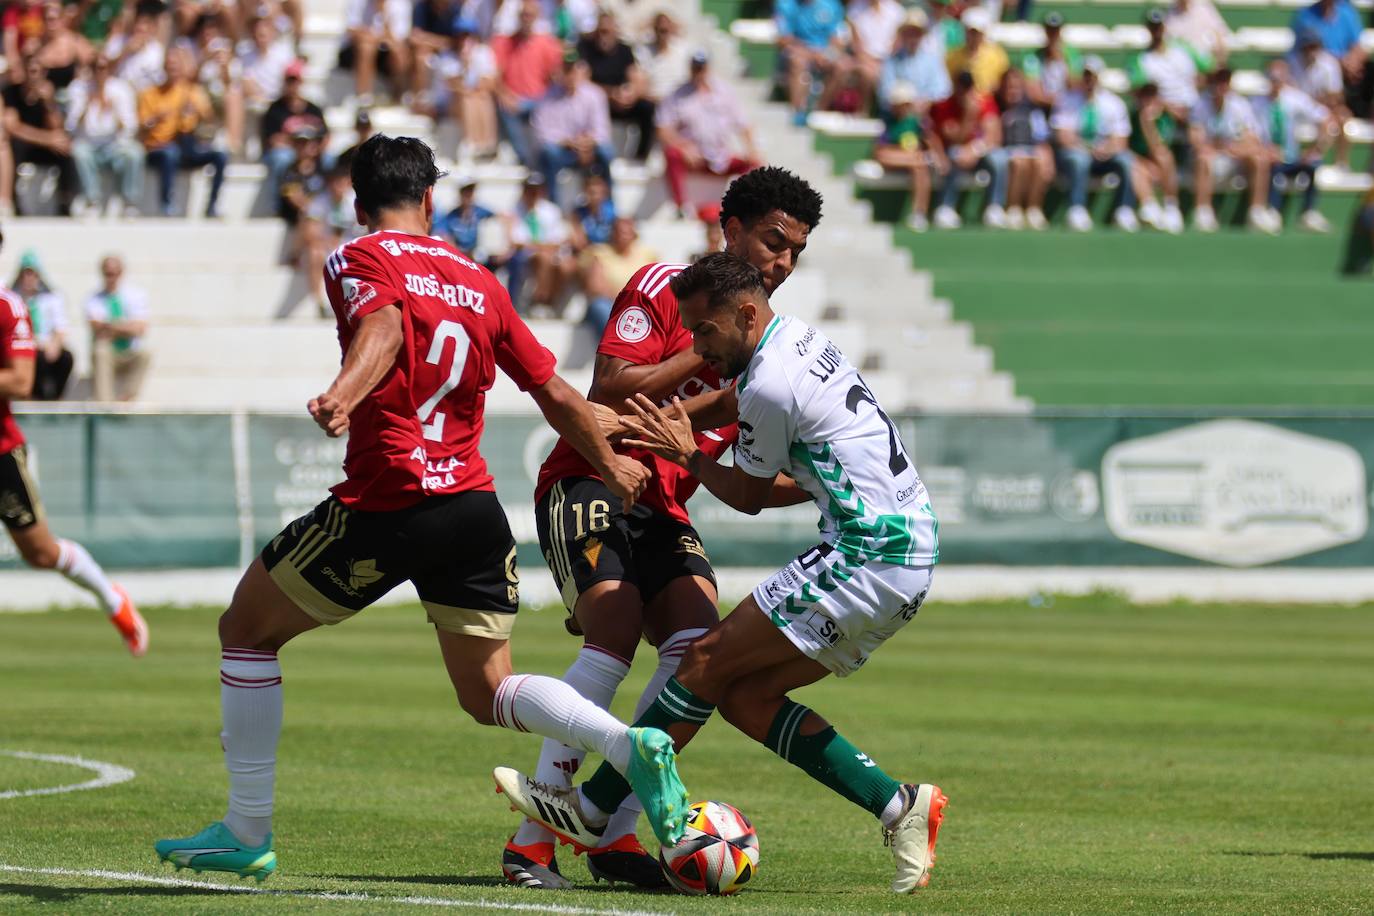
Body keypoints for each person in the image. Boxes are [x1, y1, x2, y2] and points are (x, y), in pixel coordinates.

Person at [152, 134, 692, 882]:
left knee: (245, 632)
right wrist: (613, 464)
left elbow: (382, 327)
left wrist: (344, 392)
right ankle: (628, 743)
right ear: (431, 200)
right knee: (489, 690)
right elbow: (558, 394)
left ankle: (246, 830)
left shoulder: (360, 256)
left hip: (391, 498)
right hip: (474, 509)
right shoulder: (479, 278)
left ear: (355, 199)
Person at [496, 252, 945, 895]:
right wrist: (640, 426)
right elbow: (720, 407)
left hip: (866, 549)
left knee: (702, 660)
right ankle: (898, 805)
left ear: (744, 312)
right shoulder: (798, 342)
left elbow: (749, 494)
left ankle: (592, 809)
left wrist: (688, 457)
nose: (698, 349)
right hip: (908, 555)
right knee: (740, 692)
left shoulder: (770, 382)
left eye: (705, 334)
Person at [499, 166, 823, 890]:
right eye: (773, 241)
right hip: (589, 476)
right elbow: (609, 385)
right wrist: (709, 351)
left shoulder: (769, 349)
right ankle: (533, 844)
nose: (783, 262)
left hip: (667, 505)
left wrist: (825, 486)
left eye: (796, 252)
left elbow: (747, 481)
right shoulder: (664, 288)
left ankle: (609, 835)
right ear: (730, 229)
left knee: (698, 655)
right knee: (613, 635)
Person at [0, 231, 146, 655]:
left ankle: (111, 598)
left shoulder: (8, 306)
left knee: (41, 553)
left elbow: (22, 380)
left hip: (1, 452)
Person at [655, 52, 760, 214]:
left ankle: (742, 206)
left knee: (754, 166)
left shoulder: (724, 92)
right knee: (672, 155)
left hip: (720, 155)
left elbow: (743, 124)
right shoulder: (677, 95)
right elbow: (663, 129)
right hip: (693, 157)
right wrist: (683, 147)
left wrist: (751, 149)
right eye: (696, 68)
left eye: (702, 68)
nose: (699, 73)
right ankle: (681, 206)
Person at [1051, 55, 1139, 232]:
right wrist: (1086, 147)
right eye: (1086, 75)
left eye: (1092, 75)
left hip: (1103, 157)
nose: (1089, 80)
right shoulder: (1067, 100)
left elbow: (1121, 139)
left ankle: (1124, 209)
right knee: (1078, 159)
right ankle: (1077, 208)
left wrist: (1107, 148)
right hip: (1077, 153)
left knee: (1126, 160)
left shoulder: (1114, 103)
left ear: (1099, 77)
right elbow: (1062, 136)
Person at [138, 47, 229, 217]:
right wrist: (156, 119)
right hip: (157, 149)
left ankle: (212, 205)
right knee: (170, 153)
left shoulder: (191, 92)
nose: (173, 69)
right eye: (170, 65)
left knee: (220, 156)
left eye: (177, 65)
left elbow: (208, 120)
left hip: (186, 148)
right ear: (164, 68)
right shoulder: (150, 94)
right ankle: (167, 205)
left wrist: (196, 113)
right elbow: (142, 128)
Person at [1189, 67, 1276, 233]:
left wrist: (1231, 148)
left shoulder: (1240, 105)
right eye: (1217, 81)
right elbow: (1196, 139)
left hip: (1234, 158)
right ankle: (1203, 212)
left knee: (1259, 160)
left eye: (1225, 82)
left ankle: (1256, 212)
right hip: (1211, 158)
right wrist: (1215, 148)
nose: (1221, 86)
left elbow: (1252, 139)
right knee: (1203, 158)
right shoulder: (1200, 105)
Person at [1254, 58, 1333, 232]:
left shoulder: (1295, 98)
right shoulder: (1256, 103)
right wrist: (1265, 150)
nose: (1276, 80)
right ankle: (1271, 211)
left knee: (1313, 164)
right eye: (1272, 76)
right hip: (1269, 159)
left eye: (1280, 76)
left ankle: (1309, 212)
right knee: (1270, 165)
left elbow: (1325, 119)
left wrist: (1315, 149)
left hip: (1292, 157)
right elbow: (1250, 133)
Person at [530, 56, 615, 207]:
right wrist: (569, 143)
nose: (570, 75)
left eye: (573, 70)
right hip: (564, 151)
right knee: (548, 153)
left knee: (606, 152)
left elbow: (602, 131)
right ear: (559, 72)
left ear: (581, 71)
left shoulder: (595, 94)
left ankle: (609, 204)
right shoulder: (547, 97)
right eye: (566, 70)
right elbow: (542, 133)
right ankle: (553, 205)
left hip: (589, 148)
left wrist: (585, 144)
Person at [929, 69, 1009, 229]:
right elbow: (955, 139)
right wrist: (969, 115)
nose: (964, 92)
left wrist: (975, 149)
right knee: (954, 154)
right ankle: (946, 207)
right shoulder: (945, 106)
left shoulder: (986, 102)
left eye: (968, 87)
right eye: (961, 87)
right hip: (955, 154)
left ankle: (994, 207)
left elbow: (994, 136)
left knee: (999, 158)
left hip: (979, 153)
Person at [66, 55, 143, 216]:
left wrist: (113, 110)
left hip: (115, 146)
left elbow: (130, 127)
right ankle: (92, 200)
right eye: (96, 68)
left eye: (104, 68)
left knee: (135, 153)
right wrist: (87, 105)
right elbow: (71, 127)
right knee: (79, 152)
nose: (100, 73)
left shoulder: (121, 89)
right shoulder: (78, 89)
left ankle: (129, 202)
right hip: (89, 145)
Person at [491, 0, 563, 166]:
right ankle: (526, 159)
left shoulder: (546, 43)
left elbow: (555, 75)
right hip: (514, 98)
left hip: (540, 99)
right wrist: (505, 95)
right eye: (523, 15)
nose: (526, 18)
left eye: (529, 15)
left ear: (537, 17)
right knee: (505, 108)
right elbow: (495, 76)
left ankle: (540, 157)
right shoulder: (505, 42)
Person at [3, 56, 77, 216]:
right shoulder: (11, 92)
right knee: (14, 147)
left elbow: (57, 128)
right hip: (25, 143)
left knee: (66, 151)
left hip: (45, 146)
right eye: (31, 71)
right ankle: (15, 204)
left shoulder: (50, 95)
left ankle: (66, 202)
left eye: (37, 72)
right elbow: (13, 127)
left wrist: (49, 104)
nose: (33, 76)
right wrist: (47, 139)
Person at [577, 12, 655, 161]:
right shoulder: (585, 48)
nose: (603, 36)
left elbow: (635, 75)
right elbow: (582, 81)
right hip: (597, 101)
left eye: (607, 32)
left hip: (620, 101)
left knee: (647, 108)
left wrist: (630, 94)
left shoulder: (625, 50)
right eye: (600, 31)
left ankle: (641, 157)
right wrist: (609, 93)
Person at [874, 81, 944, 232]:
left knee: (919, 166)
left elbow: (930, 139)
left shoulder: (917, 123)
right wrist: (909, 156)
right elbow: (880, 152)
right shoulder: (888, 122)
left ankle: (919, 213)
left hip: (912, 162)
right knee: (917, 161)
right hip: (893, 161)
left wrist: (938, 158)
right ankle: (918, 213)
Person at [86, 255, 151, 401]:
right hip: (109, 352)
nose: (111, 277)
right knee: (101, 351)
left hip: (128, 352)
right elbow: (97, 327)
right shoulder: (93, 298)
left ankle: (126, 398)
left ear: (121, 273)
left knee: (146, 353)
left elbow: (140, 328)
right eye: (107, 273)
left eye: (115, 273)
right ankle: (105, 404)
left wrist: (111, 326)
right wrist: (126, 327)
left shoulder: (136, 295)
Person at [774, 0, 849, 124]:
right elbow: (784, 39)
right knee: (798, 62)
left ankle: (819, 111)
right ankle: (798, 111)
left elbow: (838, 37)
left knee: (842, 66)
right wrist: (812, 53)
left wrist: (828, 54)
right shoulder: (785, 5)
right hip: (798, 51)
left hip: (824, 52)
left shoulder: (832, 5)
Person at [577, 215, 656, 332]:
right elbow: (595, 287)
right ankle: (617, 346)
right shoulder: (599, 252)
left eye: (626, 232)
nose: (622, 235)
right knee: (599, 305)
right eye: (619, 231)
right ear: (612, 233)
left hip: (638, 307)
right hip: (611, 305)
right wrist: (625, 303)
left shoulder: (647, 254)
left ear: (633, 234)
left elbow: (656, 285)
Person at [997, 68, 1051, 231]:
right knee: (1020, 162)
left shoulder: (1032, 111)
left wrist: (1047, 155)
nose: (1013, 91)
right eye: (1009, 87)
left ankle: (1033, 209)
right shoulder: (997, 107)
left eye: (1017, 87)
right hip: (1005, 152)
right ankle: (1013, 208)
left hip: (1028, 150)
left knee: (1040, 162)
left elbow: (1041, 138)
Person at [13, 251, 71, 399]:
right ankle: (33, 395)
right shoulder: (14, 298)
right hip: (23, 347)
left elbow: (60, 326)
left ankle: (55, 398)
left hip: (47, 346)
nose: (29, 278)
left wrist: (54, 345)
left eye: (32, 274)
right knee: (35, 358)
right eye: (25, 274)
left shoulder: (52, 297)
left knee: (66, 358)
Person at [1128, 81, 1186, 233]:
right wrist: (1146, 122)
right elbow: (1147, 147)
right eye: (1145, 96)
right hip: (1141, 162)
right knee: (1136, 167)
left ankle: (1171, 207)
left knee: (1164, 156)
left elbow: (1158, 149)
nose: (1148, 100)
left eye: (1152, 96)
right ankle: (1150, 206)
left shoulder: (1166, 115)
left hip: (1163, 166)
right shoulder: (1135, 117)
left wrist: (1166, 109)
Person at [1129, 8, 1202, 119]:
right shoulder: (1139, 59)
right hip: (1163, 114)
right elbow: (1140, 91)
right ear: (1148, 29)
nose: (1157, 30)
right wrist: (1169, 108)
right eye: (1153, 27)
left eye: (1159, 26)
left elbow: (1209, 71)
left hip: (1192, 107)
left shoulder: (1185, 49)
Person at [877, 10, 951, 113]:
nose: (913, 38)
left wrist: (927, 102)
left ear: (922, 35)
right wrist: (902, 103)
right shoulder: (891, 60)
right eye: (909, 33)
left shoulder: (933, 60)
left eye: (916, 33)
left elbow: (943, 90)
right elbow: (884, 94)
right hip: (898, 116)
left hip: (927, 115)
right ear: (903, 35)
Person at [340, 0, 411, 105]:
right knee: (366, 47)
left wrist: (384, 14)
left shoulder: (401, 4)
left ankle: (399, 97)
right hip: (354, 51)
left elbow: (398, 39)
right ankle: (363, 97)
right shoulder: (357, 2)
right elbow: (352, 31)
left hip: (384, 50)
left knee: (399, 52)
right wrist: (375, 38)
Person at [846, 0, 905, 115]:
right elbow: (856, 43)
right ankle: (863, 111)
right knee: (867, 73)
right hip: (864, 61)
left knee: (881, 73)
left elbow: (898, 42)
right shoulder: (855, 8)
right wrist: (870, 61)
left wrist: (886, 62)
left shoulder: (896, 10)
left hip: (890, 61)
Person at [1020, 12, 1080, 109]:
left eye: (1055, 30)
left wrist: (1061, 59)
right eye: (1050, 30)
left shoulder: (1072, 55)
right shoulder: (1033, 57)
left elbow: (1074, 86)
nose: (1053, 34)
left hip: (1067, 108)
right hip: (1041, 108)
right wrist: (1052, 101)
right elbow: (1033, 92)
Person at [945, 7, 1008, 95]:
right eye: (971, 32)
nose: (974, 36)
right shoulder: (952, 56)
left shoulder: (997, 55)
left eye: (978, 33)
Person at [436, 174, 494, 257]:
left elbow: (503, 216)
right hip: (459, 256)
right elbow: (442, 233)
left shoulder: (480, 211)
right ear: (460, 193)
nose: (469, 194)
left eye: (471, 190)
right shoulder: (451, 216)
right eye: (466, 191)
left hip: (476, 255)